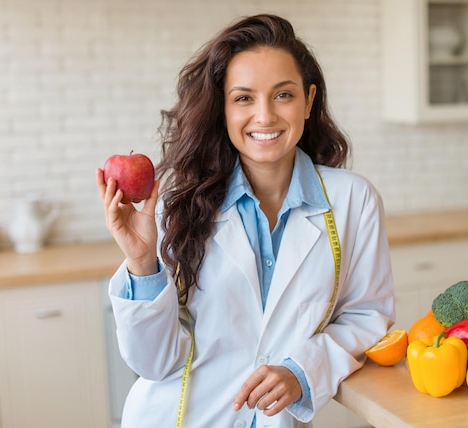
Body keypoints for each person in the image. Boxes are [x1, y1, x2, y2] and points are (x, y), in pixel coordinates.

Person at [96, 13, 394, 428]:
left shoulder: (352, 201)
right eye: (243, 98)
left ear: (308, 100)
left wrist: (302, 371)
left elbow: (367, 317)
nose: (265, 115)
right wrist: (142, 263)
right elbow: (154, 363)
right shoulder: (176, 205)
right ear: (223, 109)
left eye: (283, 95)